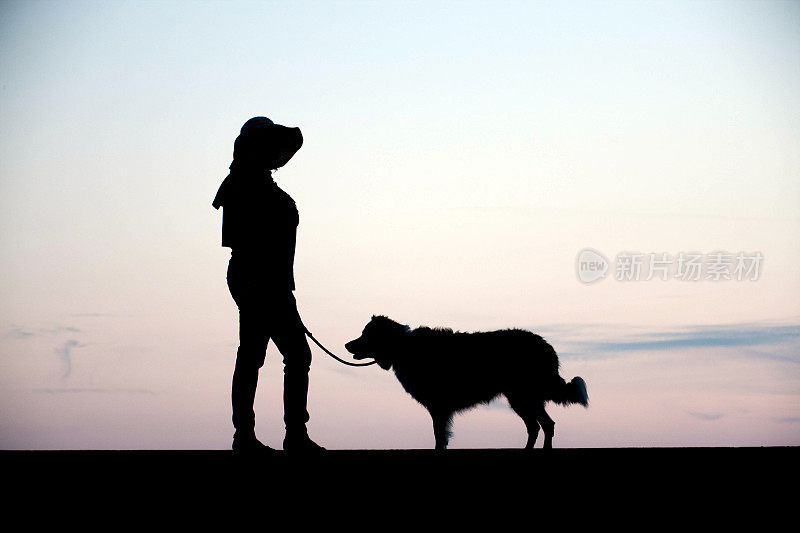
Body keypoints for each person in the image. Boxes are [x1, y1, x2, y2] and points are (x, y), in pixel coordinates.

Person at [212, 116, 324, 452]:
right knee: (285, 354)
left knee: (257, 355)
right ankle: (284, 436)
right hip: (259, 278)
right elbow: (245, 240)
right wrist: (270, 286)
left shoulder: (249, 182)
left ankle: (251, 436)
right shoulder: (244, 184)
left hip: (262, 279)